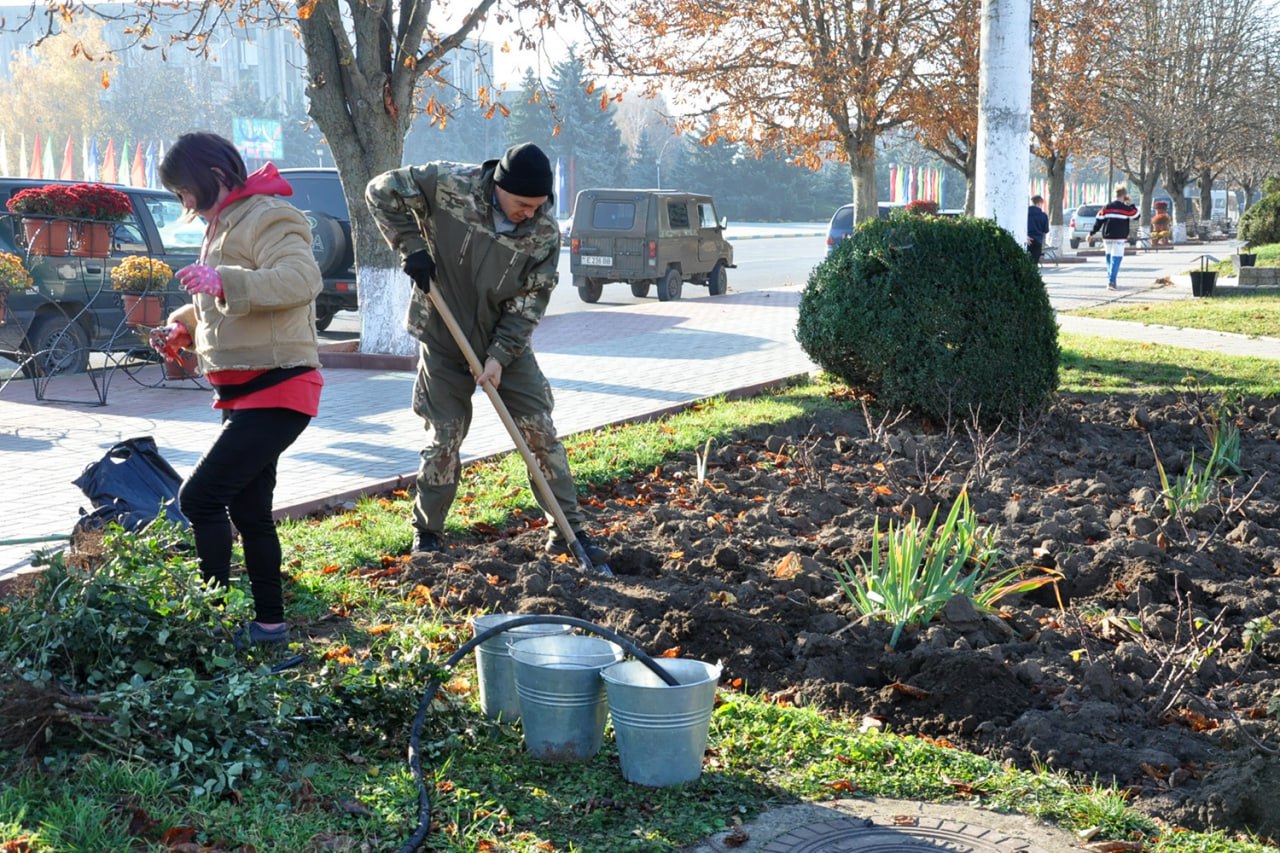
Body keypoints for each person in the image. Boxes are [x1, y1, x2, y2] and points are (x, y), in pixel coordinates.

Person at [365, 142, 608, 563]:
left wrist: (498, 357)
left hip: (505, 345)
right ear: (499, 187)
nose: (530, 213)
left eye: (538, 205)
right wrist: (412, 247)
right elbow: (379, 191)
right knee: (445, 436)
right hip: (443, 336)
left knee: (540, 433)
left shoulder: (544, 233)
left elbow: (530, 302)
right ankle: (428, 534)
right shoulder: (448, 184)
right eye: (522, 204)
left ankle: (570, 531)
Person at [149, 131, 324, 647]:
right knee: (249, 511)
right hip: (242, 389)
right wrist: (183, 325)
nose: (183, 202)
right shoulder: (223, 223)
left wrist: (223, 281)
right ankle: (269, 625)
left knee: (199, 498)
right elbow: (220, 300)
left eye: (184, 190)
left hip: (280, 386)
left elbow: (299, 279)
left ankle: (213, 619)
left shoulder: (271, 215)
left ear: (216, 177)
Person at [1089, 187, 1139, 290]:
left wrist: (1091, 233)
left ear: (1115, 195)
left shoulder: (1107, 207)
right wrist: (1131, 204)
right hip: (1119, 237)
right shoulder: (1126, 209)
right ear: (1124, 196)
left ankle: (1111, 280)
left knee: (1109, 258)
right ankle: (1111, 281)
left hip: (1107, 237)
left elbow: (1098, 221)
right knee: (1116, 259)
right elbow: (1136, 215)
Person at [1026, 195, 1050, 265]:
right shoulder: (1043, 215)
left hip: (1026, 240)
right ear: (1039, 203)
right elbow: (1046, 230)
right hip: (1038, 241)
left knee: (1026, 262)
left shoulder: (1025, 213)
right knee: (1034, 263)